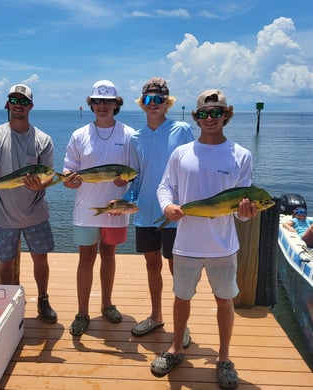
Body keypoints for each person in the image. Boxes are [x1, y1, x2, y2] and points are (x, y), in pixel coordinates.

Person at [151, 89, 258, 389]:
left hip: (223, 246)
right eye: (204, 113)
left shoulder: (241, 155)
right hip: (185, 243)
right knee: (181, 298)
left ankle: (224, 358)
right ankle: (175, 348)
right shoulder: (181, 153)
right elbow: (164, 187)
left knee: (225, 300)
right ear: (196, 118)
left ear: (226, 115)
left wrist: (247, 213)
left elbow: (241, 211)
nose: (210, 118)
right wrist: (167, 206)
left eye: (216, 112)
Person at [122, 77, 195, 345]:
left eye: (158, 99)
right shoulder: (136, 137)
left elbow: (192, 168)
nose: (153, 104)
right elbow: (136, 177)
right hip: (144, 214)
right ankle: (156, 316)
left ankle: (182, 324)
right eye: (148, 100)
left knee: (178, 270)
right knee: (152, 266)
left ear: (167, 102)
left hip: (174, 215)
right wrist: (125, 199)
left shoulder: (183, 129)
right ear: (142, 104)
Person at [0, 83, 57, 323]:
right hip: (3, 215)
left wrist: (40, 184)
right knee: (5, 262)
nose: (18, 105)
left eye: (23, 101)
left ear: (31, 106)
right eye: (14, 100)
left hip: (36, 214)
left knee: (41, 259)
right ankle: (9, 302)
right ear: (7, 104)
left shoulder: (43, 139)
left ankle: (43, 299)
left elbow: (49, 175)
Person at [63, 80, 135, 336]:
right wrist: (70, 181)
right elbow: (69, 170)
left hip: (116, 209)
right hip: (85, 210)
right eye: (97, 101)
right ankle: (82, 312)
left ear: (117, 104)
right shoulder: (79, 135)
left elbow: (136, 172)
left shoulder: (129, 135)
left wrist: (127, 180)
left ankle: (106, 304)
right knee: (86, 258)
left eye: (107, 101)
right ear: (90, 104)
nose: (102, 106)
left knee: (109, 254)